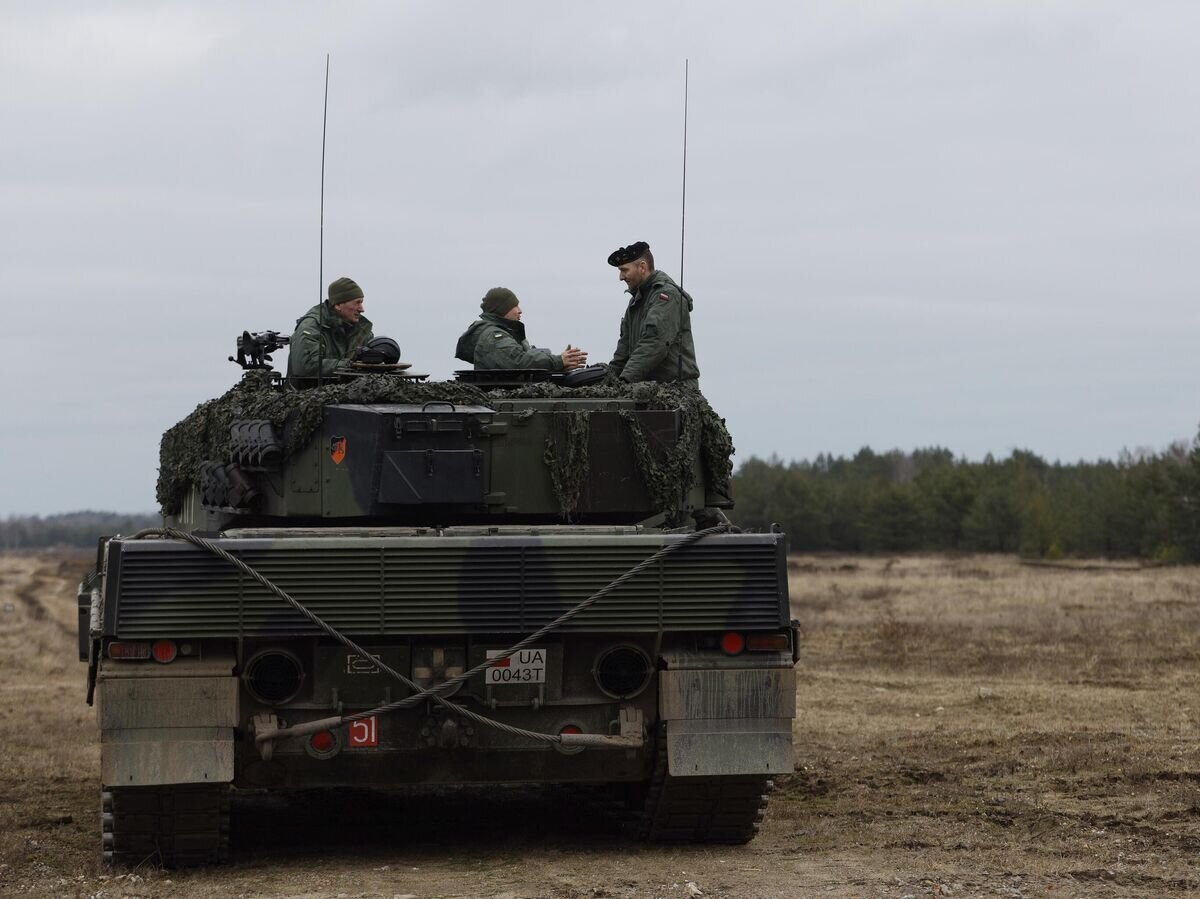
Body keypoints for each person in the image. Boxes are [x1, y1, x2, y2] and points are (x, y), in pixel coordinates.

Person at [606, 241, 699, 385]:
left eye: (624, 270)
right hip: (645, 386)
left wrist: (624, 381)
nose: (621, 277)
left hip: (675, 388)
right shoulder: (636, 301)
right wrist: (608, 379)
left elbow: (654, 342)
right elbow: (623, 351)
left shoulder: (666, 296)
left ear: (642, 267)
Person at [455, 287, 588, 371]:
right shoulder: (494, 336)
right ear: (502, 309)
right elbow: (518, 362)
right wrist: (557, 361)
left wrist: (559, 365)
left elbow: (521, 359)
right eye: (515, 306)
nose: (520, 310)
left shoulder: (500, 333)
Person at [286, 277, 374, 385]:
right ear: (338, 305)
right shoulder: (311, 327)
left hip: (351, 392)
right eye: (357, 303)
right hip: (308, 393)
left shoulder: (362, 330)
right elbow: (305, 365)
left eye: (361, 302)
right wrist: (348, 366)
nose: (361, 309)